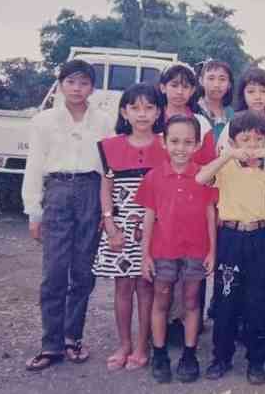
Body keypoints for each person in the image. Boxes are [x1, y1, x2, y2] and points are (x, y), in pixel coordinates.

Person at [23, 60, 115, 371]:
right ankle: (50, 344)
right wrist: (34, 211)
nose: (77, 88)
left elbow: (108, 168)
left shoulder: (103, 121)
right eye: (71, 82)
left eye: (84, 82)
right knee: (54, 273)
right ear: (61, 84)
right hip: (58, 193)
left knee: (83, 271)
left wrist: (108, 210)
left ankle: (72, 338)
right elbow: (35, 165)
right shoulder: (44, 121)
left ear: (92, 87)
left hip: (90, 191)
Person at [195, 110, 265, 386]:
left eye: (258, 140)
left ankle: (257, 361)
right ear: (233, 141)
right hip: (230, 239)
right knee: (225, 300)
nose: (252, 147)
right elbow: (200, 178)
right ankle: (221, 357)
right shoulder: (225, 168)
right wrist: (228, 156)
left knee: (257, 302)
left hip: (260, 238)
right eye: (245, 140)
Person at [136, 115, 217, 384]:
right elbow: (149, 216)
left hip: (196, 250)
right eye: (174, 141)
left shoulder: (204, 176)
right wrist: (144, 254)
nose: (180, 148)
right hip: (163, 250)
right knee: (162, 300)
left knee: (192, 302)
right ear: (164, 142)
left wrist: (212, 252)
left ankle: (189, 353)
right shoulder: (154, 177)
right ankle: (159, 354)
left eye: (188, 142)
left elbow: (210, 216)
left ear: (196, 145)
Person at [93, 83, 167, 372]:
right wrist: (110, 225)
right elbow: (106, 187)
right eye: (135, 107)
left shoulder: (165, 146)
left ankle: (141, 345)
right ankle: (124, 343)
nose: (142, 114)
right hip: (120, 228)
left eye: (149, 107)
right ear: (124, 111)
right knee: (122, 287)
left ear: (158, 111)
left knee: (146, 287)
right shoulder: (110, 146)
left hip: (154, 228)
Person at [159, 62, 215, 337]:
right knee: (163, 272)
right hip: (161, 202)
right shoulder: (154, 117)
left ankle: (187, 327)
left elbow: (207, 165)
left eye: (185, 86)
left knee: (191, 273)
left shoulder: (201, 123)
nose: (179, 91)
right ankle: (162, 328)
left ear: (194, 89)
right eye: (174, 85)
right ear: (163, 87)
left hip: (193, 201)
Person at [218, 66, 265, 161]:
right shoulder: (233, 124)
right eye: (251, 91)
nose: (258, 96)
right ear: (242, 94)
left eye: (263, 91)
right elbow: (222, 157)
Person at [195, 60, 235, 143]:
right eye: (211, 78)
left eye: (222, 79)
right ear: (201, 81)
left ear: (229, 84)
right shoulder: (194, 111)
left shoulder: (233, 115)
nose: (216, 84)